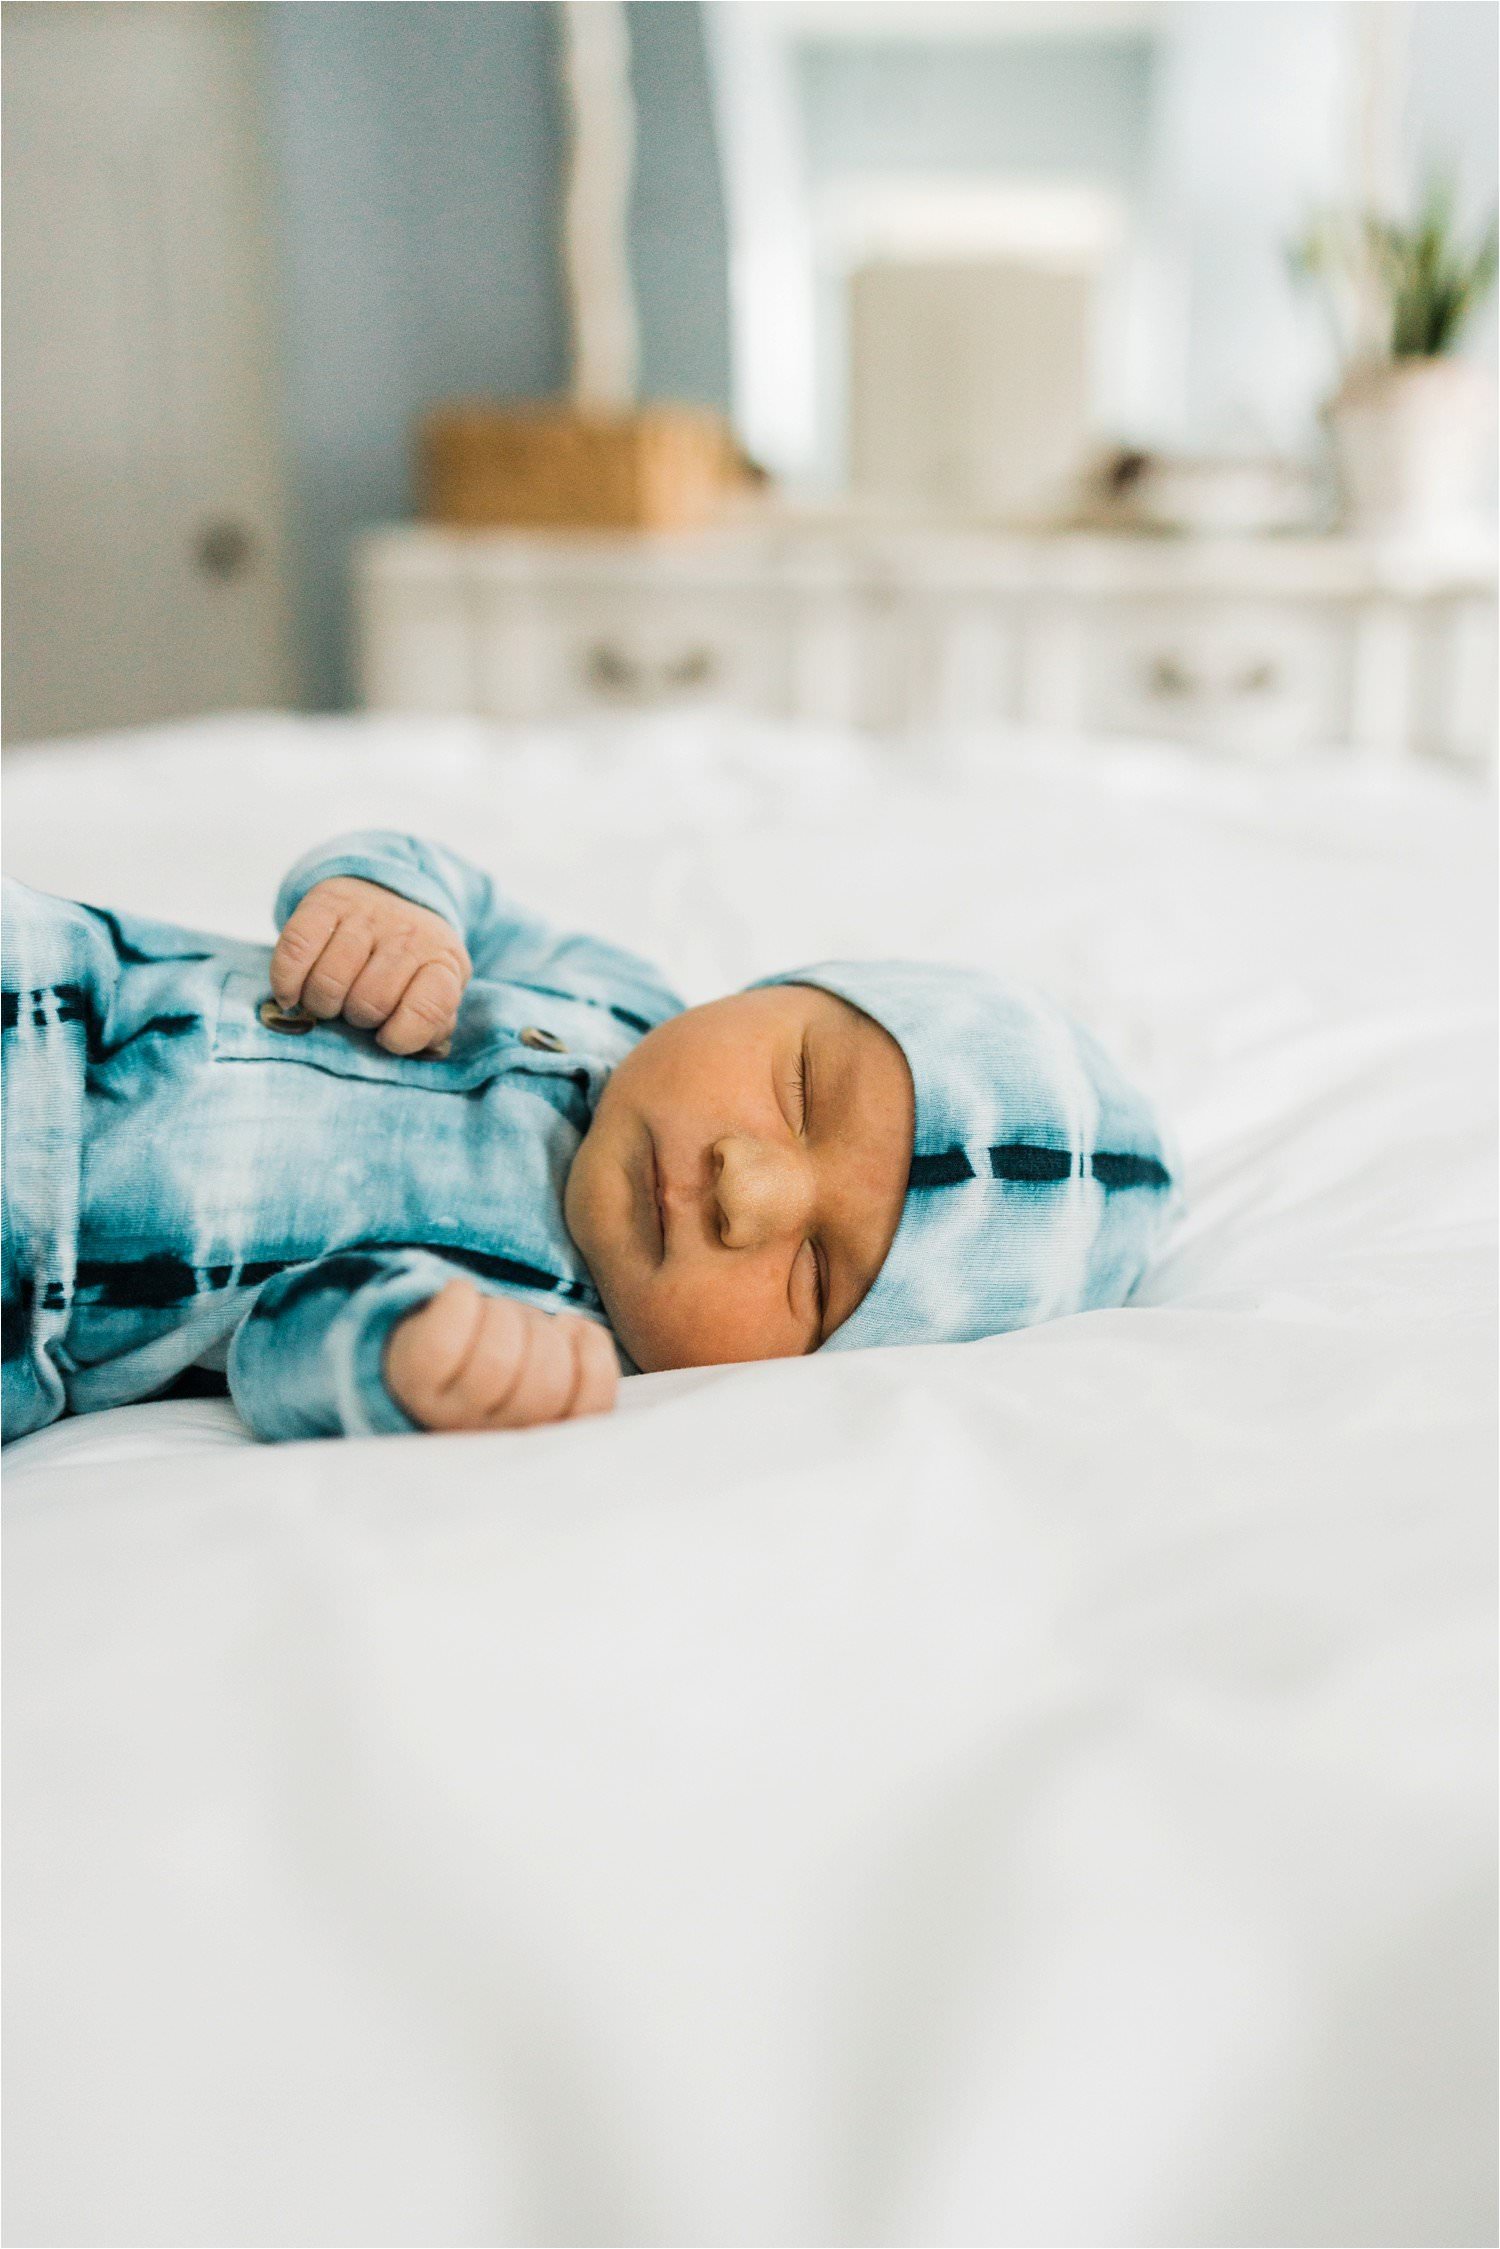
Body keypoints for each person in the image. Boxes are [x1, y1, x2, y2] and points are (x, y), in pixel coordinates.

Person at [1, 833, 1176, 1443]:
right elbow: (442, 875)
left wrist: (412, 1357)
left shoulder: (557, 1337)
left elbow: (279, 1353)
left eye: (816, 1278)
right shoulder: (612, 990)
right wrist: (382, 900)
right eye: (802, 1086)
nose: (747, 1190)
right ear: (771, 987)